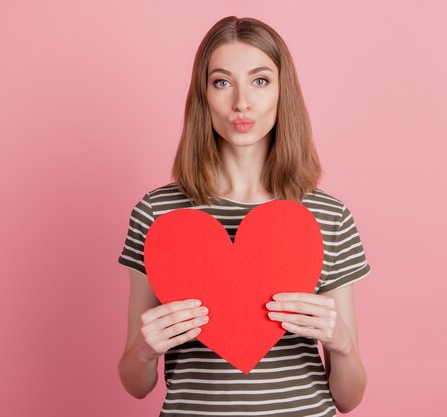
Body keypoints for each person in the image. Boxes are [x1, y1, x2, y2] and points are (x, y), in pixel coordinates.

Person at [117, 16, 371, 416]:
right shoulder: (157, 214)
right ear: (203, 94)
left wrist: (339, 341)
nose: (241, 102)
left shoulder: (328, 216)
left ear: (282, 91)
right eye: (222, 82)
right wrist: (146, 349)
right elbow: (135, 384)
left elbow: (349, 398)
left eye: (260, 80)